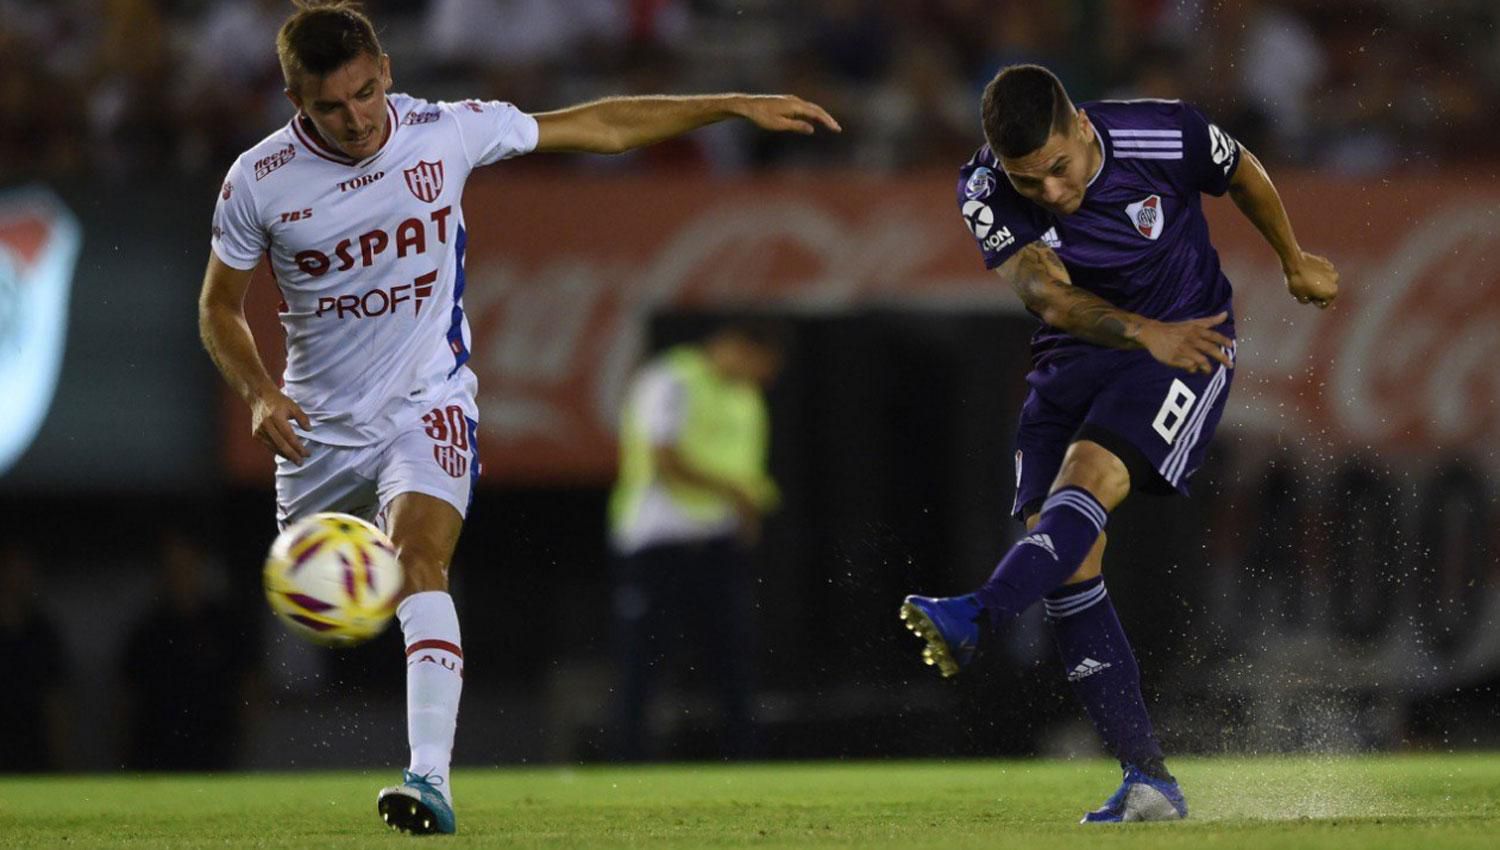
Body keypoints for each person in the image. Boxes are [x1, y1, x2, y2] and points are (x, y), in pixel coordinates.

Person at [197, 0, 837, 836]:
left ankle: (428, 783)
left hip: (428, 402)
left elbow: (599, 127)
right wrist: (258, 392)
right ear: (295, 100)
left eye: (363, 93)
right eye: (330, 106)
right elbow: (219, 307)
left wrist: (731, 103)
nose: (355, 118)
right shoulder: (259, 179)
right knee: (330, 615)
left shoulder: (447, 130)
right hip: (316, 429)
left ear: (385, 68)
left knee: (420, 563)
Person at [899, 65, 1339, 822]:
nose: (1051, 194)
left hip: (1189, 344)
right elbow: (1041, 292)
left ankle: (979, 612)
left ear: (1079, 125)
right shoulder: (983, 187)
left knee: (1089, 476)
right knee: (1069, 564)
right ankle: (1149, 782)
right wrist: (1139, 330)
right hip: (1080, 355)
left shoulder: (1164, 133)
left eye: (1058, 171)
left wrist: (1292, 257)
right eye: (1027, 181)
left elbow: (1242, 171)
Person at [606, 322, 783, 761]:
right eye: (758, 364)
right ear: (735, 345)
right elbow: (665, 459)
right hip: (657, 542)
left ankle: (746, 764)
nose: (760, 377)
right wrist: (733, 493)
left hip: (718, 544)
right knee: (644, 662)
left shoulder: (746, 397)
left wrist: (747, 509)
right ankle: (628, 763)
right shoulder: (670, 378)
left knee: (734, 661)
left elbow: (744, 470)